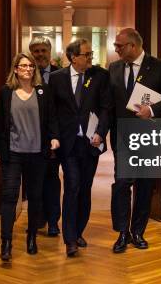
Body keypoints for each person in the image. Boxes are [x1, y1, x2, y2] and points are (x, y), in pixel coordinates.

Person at [108, 28, 161, 253]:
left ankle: (138, 232)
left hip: (148, 137)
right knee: (122, 184)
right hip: (122, 136)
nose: (116, 49)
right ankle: (122, 233)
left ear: (133, 45)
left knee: (145, 186)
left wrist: (152, 110)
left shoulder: (158, 66)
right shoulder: (114, 67)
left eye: (119, 46)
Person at [0, 53, 60, 261]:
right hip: (12, 153)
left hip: (37, 153)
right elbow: (0, 123)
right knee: (9, 196)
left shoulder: (43, 91)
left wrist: (55, 137)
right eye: (23, 66)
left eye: (31, 66)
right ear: (15, 69)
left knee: (35, 197)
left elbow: (52, 118)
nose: (28, 69)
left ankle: (32, 238)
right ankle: (6, 243)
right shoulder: (6, 92)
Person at [49, 39, 111, 256]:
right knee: (72, 186)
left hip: (91, 144)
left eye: (91, 54)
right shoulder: (56, 79)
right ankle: (70, 240)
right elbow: (52, 112)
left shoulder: (100, 76)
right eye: (86, 54)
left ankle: (78, 231)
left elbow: (105, 108)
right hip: (68, 145)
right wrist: (55, 137)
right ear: (73, 57)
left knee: (84, 189)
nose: (90, 58)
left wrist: (100, 132)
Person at [29, 36, 61, 236]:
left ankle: (53, 221)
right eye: (36, 51)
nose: (40, 54)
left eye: (43, 50)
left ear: (50, 52)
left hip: (54, 137)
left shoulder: (61, 75)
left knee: (51, 179)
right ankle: (37, 219)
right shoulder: (25, 75)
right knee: (34, 180)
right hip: (31, 138)